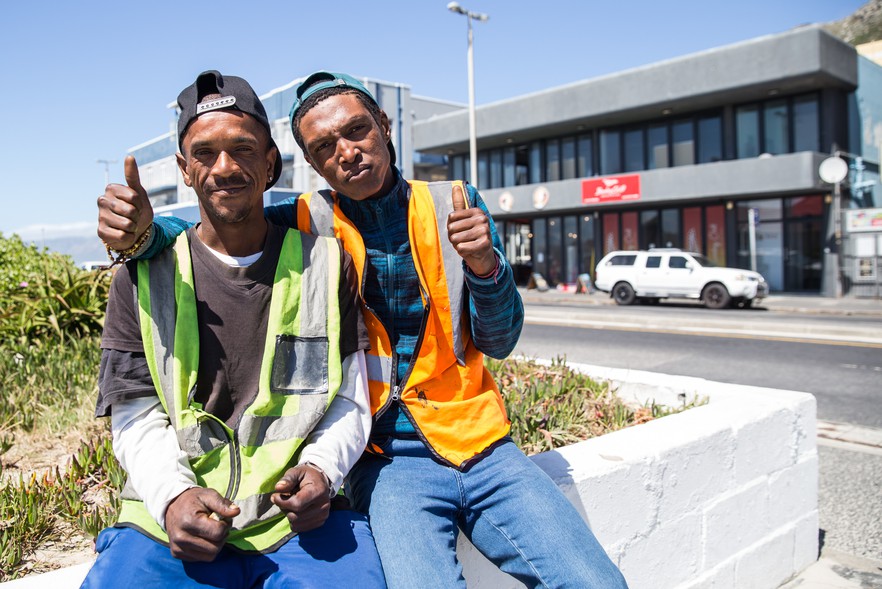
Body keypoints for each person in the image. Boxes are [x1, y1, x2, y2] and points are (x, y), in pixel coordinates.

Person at [98, 71, 628, 588]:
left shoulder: (456, 204)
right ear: (307, 163)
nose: (346, 152)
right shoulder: (306, 218)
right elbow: (216, 221)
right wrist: (142, 238)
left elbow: (500, 340)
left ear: (385, 125)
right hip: (384, 458)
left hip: (481, 441)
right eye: (325, 146)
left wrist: (487, 268)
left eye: (356, 130)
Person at [85, 70, 386, 588]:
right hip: (172, 525)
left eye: (243, 149)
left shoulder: (327, 265)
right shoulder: (140, 276)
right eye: (204, 153)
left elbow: (349, 397)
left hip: (297, 523)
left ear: (270, 162)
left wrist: (321, 470)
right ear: (184, 169)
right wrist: (172, 496)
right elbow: (134, 414)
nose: (224, 168)